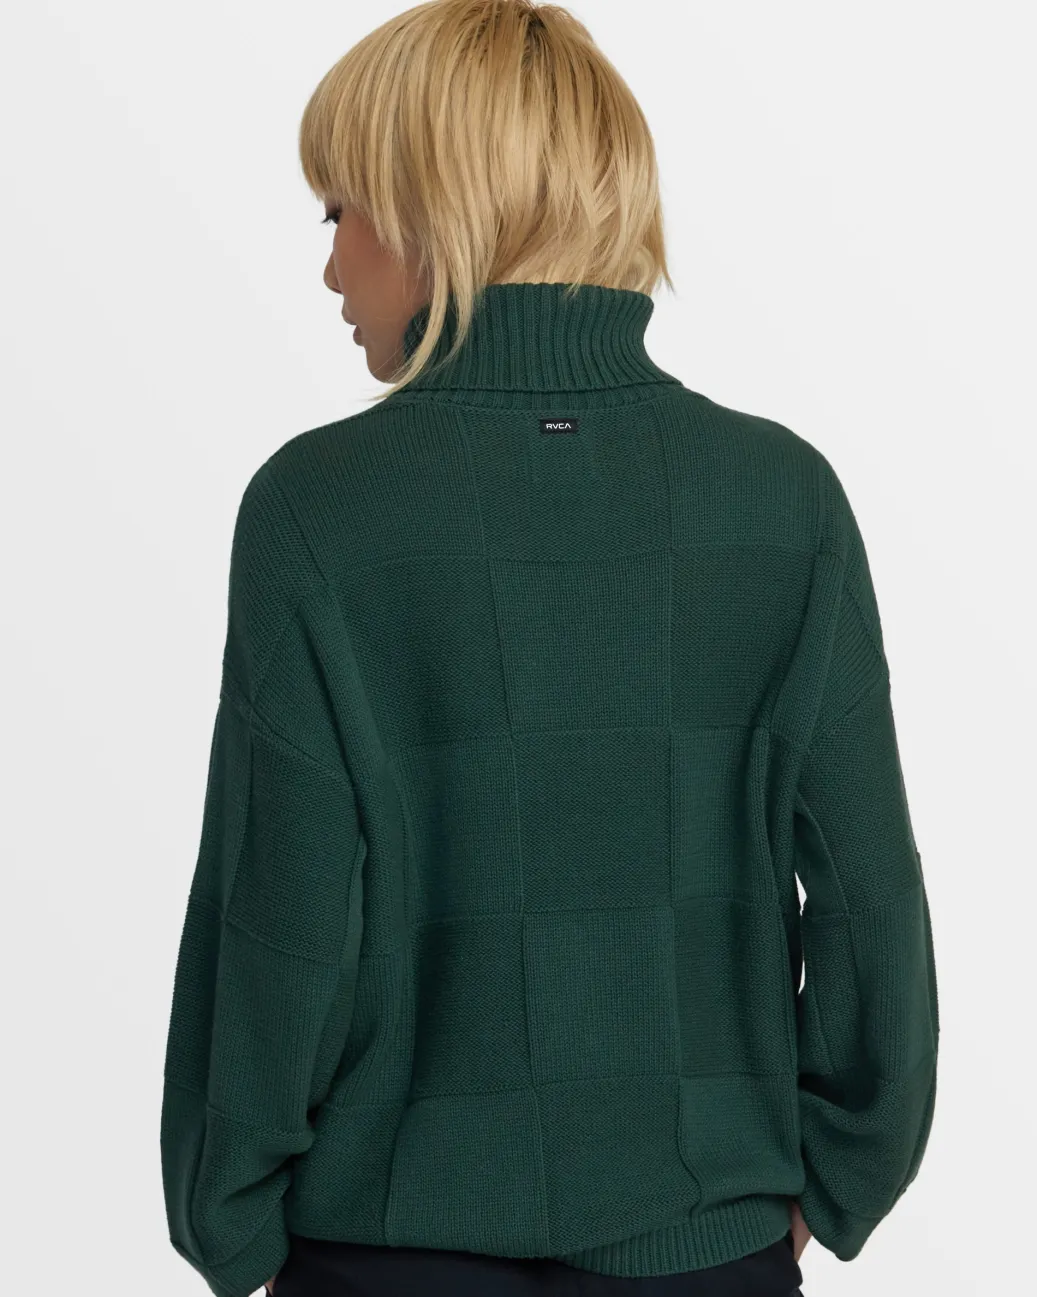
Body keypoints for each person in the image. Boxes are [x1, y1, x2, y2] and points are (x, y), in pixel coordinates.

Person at [159, 3, 939, 1295]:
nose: (332, 267)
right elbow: (866, 896)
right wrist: (840, 1173)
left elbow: (282, 913)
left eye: (340, 212)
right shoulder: (781, 500)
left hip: (386, 1253)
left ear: (433, 210)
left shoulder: (318, 510)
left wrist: (226, 1214)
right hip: (712, 1246)